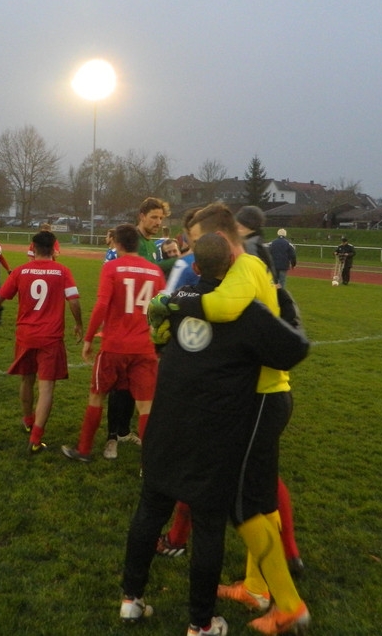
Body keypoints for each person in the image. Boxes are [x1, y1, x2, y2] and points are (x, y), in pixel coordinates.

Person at [120, 233, 310, 636]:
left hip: (165, 426)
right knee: (208, 528)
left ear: (197, 267)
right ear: (235, 266)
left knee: (149, 511)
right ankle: (201, 624)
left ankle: (130, 600)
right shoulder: (250, 314)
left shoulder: (177, 300)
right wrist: (283, 299)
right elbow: (294, 349)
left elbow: (159, 339)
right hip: (212, 436)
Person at [61, 223, 162, 463]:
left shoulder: (112, 267)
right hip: (144, 347)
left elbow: (101, 305)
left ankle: (84, 449)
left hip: (114, 346)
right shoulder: (155, 271)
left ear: (116, 244)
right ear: (137, 243)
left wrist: (88, 338)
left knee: (97, 396)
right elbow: (161, 309)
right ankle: (152, 463)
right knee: (145, 406)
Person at [0, 231, 83, 453]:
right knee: (46, 387)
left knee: (26, 379)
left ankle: (27, 420)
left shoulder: (21, 271)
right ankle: (35, 439)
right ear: (54, 248)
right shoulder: (62, 271)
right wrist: (78, 324)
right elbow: (73, 300)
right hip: (51, 337)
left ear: (32, 247)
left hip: (25, 335)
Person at [106, 197, 170, 457]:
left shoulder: (153, 245)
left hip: (144, 326)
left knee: (135, 384)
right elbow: (144, 271)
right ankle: (112, 436)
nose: (158, 222)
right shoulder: (132, 243)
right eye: (154, 217)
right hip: (123, 325)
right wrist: (181, 261)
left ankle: (123, 431)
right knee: (119, 385)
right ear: (141, 215)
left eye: (161, 218)